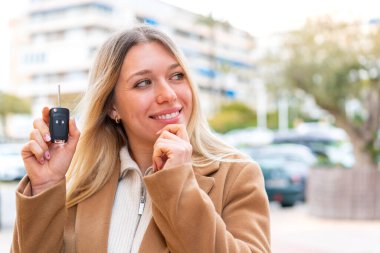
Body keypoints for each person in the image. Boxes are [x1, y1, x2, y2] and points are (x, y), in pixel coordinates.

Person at [12, 25, 271, 253]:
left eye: (177, 76)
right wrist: (46, 186)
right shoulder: (81, 185)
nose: (168, 94)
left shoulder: (236, 174)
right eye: (143, 83)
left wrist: (177, 183)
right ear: (112, 106)